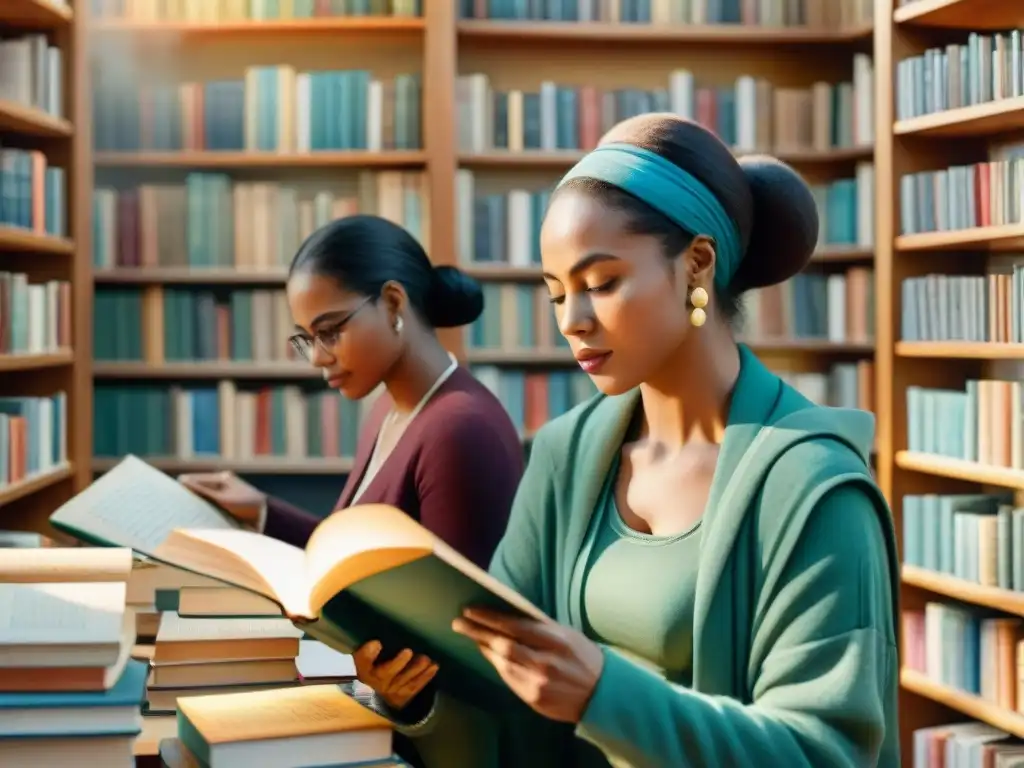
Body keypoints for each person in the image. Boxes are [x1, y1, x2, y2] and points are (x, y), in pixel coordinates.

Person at [355, 114, 901, 768]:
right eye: (557, 294)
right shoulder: (563, 455)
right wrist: (415, 700)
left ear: (697, 265)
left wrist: (602, 694)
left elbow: (824, 752)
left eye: (602, 283)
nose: (573, 322)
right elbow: (495, 699)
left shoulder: (813, 489)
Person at [177, 215, 526, 724]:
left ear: (392, 303)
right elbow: (358, 561)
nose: (318, 358)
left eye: (330, 331)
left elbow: (462, 644)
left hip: (435, 734)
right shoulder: (389, 410)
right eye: (305, 339)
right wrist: (261, 513)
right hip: (376, 700)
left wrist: (392, 691)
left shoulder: (460, 430)